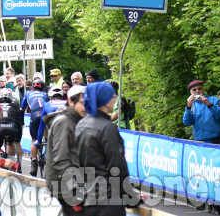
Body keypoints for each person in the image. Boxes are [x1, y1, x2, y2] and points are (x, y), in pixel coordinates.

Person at [75, 82, 143, 216]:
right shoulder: (107, 128)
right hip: (108, 200)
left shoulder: (81, 125)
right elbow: (117, 166)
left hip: (88, 197)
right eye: (113, 97)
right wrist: (131, 197)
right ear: (105, 101)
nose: (115, 100)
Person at [43, 85, 86, 216]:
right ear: (70, 102)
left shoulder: (75, 119)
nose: (87, 107)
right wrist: (74, 189)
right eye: (83, 103)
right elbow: (60, 159)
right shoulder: (64, 121)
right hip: (66, 186)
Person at [21, 77, 48, 176]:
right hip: (45, 115)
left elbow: (22, 108)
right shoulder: (46, 94)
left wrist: (22, 121)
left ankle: (34, 162)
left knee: (34, 139)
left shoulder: (28, 94)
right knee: (44, 124)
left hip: (34, 115)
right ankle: (47, 140)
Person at [182, 79, 220, 144]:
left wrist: (209, 105)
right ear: (191, 92)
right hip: (201, 142)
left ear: (203, 89)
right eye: (194, 90)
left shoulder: (214, 100)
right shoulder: (192, 105)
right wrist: (188, 107)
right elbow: (187, 122)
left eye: (199, 89)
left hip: (217, 141)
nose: (197, 91)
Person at [0, 88, 24, 172]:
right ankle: (13, 163)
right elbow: (19, 121)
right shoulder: (15, 105)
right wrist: (18, 138)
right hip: (12, 127)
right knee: (10, 143)